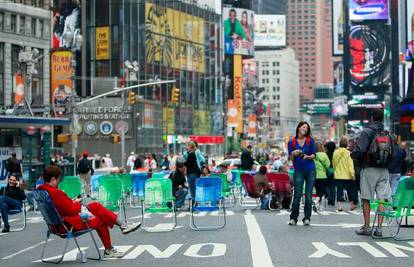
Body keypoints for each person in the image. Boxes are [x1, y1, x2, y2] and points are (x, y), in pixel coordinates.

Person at [38, 165, 141, 258]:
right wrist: (77, 203)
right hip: (68, 225)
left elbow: (63, 207)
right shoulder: (55, 193)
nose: (59, 182)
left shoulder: (43, 192)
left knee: (95, 206)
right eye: (58, 180)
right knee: (101, 220)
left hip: (56, 225)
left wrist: (73, 202)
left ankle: (122, 225)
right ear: (53, 179)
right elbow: (71, 210)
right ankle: (110, 247)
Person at [351, 108, 392, 237]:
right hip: (384, 169)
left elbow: (361, 150)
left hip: (369, 168)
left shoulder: (367, 131)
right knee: (381, 199)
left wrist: (352, 153)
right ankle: (379, 228)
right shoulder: (387, 133)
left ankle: (367, 227)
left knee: (366, 198)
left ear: (372, 118)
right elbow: (394, 152)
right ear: (382, 118)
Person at [288, 121, 316, 226]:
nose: (305, 129)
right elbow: (290, 159)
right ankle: (293, 218)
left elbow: (314, 155)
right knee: (297, 195)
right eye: (303, 127)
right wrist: (293, 153)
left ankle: (307, 218)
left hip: (310, 170)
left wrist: (307, 157)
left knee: (308, 195)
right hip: (298, 170)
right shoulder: (292, 142)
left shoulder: (310, 141)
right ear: (298, 128)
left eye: (307, 128)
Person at [333, 136, 357, 212]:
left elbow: (333, 163)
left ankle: (339, 206)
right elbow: (350, 165)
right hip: (347, 176)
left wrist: (335, 171)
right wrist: (352, 174)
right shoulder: (348, 153)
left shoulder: (335, 152)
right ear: (346, 144)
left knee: (339, 191)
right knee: (350, 191)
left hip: (338, 175)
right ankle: (352, 205)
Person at [184, 141, 205, 205]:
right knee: (192, 188)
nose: (186, 147)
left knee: (192, 189)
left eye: (187, 146)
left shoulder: (191, 154)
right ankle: (194, 203)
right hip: (193, 173)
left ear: (190, 147)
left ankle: (194, 204)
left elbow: (187, 163)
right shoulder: (190, 153)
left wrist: (182, 163)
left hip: (192, 174)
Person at [314, 142, 330, 211]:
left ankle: (318, 206)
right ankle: (316, 201)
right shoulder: (324, 155)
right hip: (323, 176)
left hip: (314, 176)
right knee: (322, 191)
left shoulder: (313, 155)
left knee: (318, 191)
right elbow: (328, 165)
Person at [325, 141, 337, 206]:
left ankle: (329, 196)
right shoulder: (336, 154)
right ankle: (333, 200)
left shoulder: (326, 154)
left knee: (327, 185)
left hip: (327, 171)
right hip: (334, 171)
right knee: (333, 186)